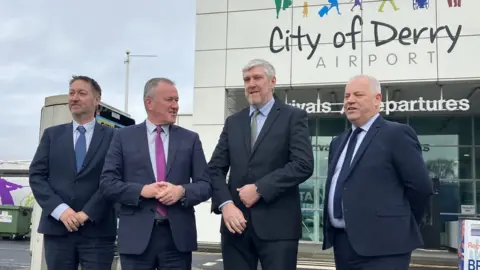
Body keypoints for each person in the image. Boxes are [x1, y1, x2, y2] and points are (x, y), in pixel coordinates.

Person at [208, 59, 314, 270]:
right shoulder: (233, 122)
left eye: (257, 78)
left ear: (272, 81)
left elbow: (303, 164)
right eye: (247, 79)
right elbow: (214, 169)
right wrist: (225, 205)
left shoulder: (293, 117)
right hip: (235, 227)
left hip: (278, 229)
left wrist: (260, 189)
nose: (251, 84)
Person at [322, 75, 434, 270]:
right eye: (347, 96)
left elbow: (421, 188)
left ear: (377, 99)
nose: (350, 100)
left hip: (386, 247)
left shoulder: (396, 134)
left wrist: (399, 223)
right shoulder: (338, 142)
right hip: (343, 246)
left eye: (358, 95)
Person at [99, 77, 212, 270]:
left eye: (177, 100)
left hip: (177, 240)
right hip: (136, 239)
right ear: (149, 103)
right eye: (170, 100)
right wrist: (142, 191)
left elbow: (206, 185)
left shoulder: (190, 139)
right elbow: (107, 183)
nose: (176, 105)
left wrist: (181, 191)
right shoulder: (123, 137)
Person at [29, 76, 117, 270]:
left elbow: (114, 179)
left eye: (82, 93)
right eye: (72, 93)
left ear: (97, 99)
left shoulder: (114, 137)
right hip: (57, 230)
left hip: (97, 231)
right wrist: (61, 211)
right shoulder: (52, 135)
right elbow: (37, 176)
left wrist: (87, 213)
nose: (74, 98)